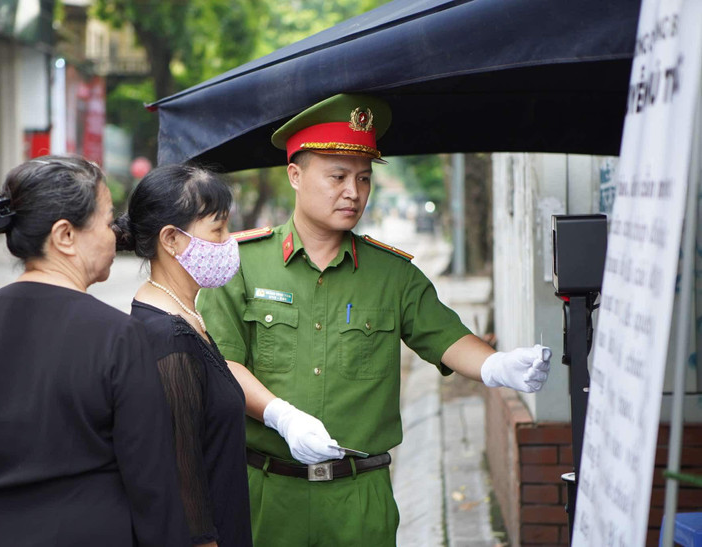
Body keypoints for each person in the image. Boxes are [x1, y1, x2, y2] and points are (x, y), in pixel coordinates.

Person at [196, 94, 552, 546]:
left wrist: (496, 366)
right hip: (267, 496)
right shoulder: (241, 264)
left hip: (360, 498)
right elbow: (222, 363)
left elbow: (445, 337)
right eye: (338, 176)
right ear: (295, 175)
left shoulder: (391, 274)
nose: (353, 191)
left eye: (364, 178)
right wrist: (280, 416)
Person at [0, 155, 190, 547]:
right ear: (65, 235)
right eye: (107, 221)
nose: (115, 234)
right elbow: (152, 487)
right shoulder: (119, 336)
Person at [114, 164, 252, 547]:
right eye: (218, 230)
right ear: (172, 239)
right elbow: (185, 492)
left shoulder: (186, 316)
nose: (228, 242)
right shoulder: (168, 338)